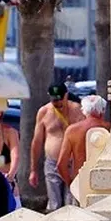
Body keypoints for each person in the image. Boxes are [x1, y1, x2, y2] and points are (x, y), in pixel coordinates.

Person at [29, 82, 83, 211]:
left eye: (60, 99)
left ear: (66, 95)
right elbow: (37, 141)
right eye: (54, 100)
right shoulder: (44, 112)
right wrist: (33, 170)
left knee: (72, 202)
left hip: (73, 163)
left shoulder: (78, 110)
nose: (58, 103)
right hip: (52, 163)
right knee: (54, 204)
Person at [57, 95, 110, 188]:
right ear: (103, 110)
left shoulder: (72, 130)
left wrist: (71, 184)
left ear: (84, 110)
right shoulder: (110, 129)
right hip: (106, 181)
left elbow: (61, 164)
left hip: (81, 182)